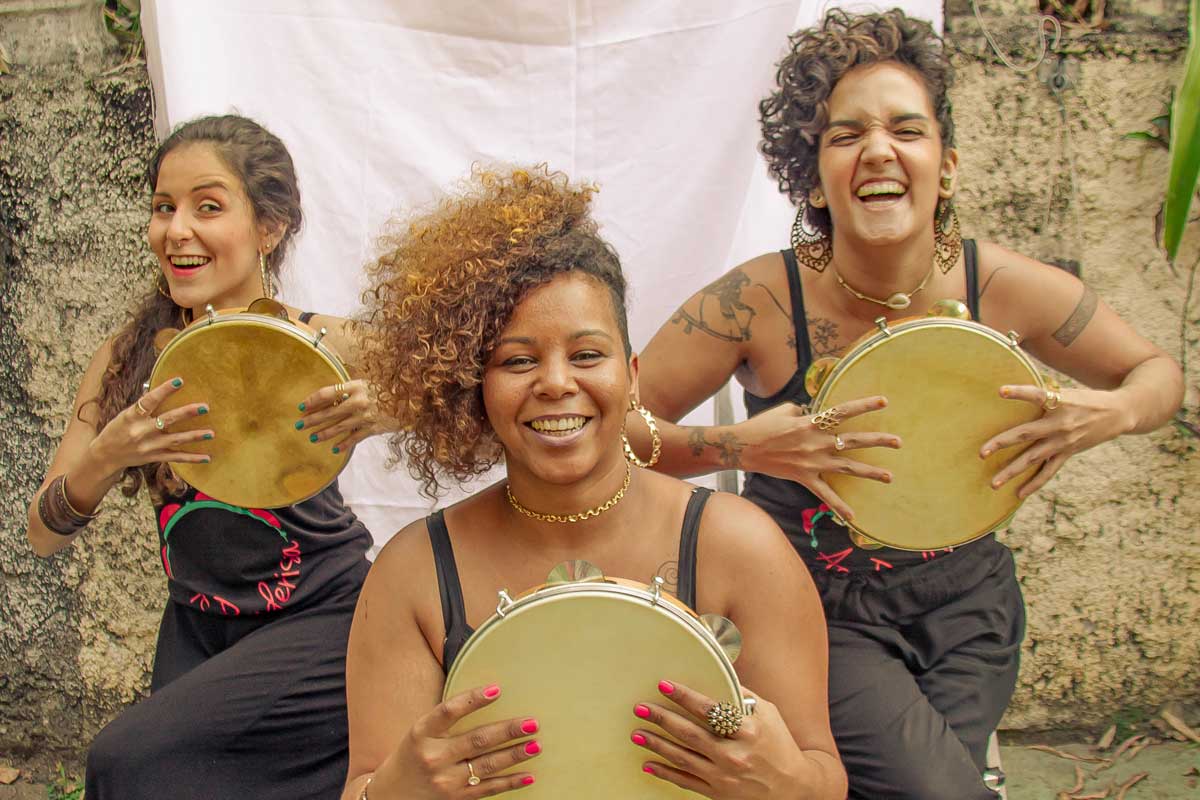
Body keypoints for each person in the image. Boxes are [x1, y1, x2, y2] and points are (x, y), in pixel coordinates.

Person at [630, 10, 1184, 800]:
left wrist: (1108, 414)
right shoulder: (759, 300)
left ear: (945, 164)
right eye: (845, 135)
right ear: (814, 175)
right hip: (815, 612)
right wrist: (744, 448)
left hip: (971, 610)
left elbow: (1157, 373)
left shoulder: (999, 286)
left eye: (906, 130)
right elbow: (607, 427)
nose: (879, 151)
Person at [341, 166, 846, 799]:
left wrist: (786, 783)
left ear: (632, 376)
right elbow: (364, 786)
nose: (556, 383)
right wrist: (390, 793)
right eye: (518, 360)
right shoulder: (414, 573)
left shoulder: (739, 547)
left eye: (586, 355)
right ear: (476, 387)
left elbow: (824, 779)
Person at [25, 114, 386, 799]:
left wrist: (385, 408)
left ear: (269, 229)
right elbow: (40, 534)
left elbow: (480, 400)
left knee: (121, 762)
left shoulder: (321, 341)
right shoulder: (126, 358)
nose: (176, 229)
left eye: (208, 207)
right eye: (164, 207)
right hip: (196, 624)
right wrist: (105, 457)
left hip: (322, 620)